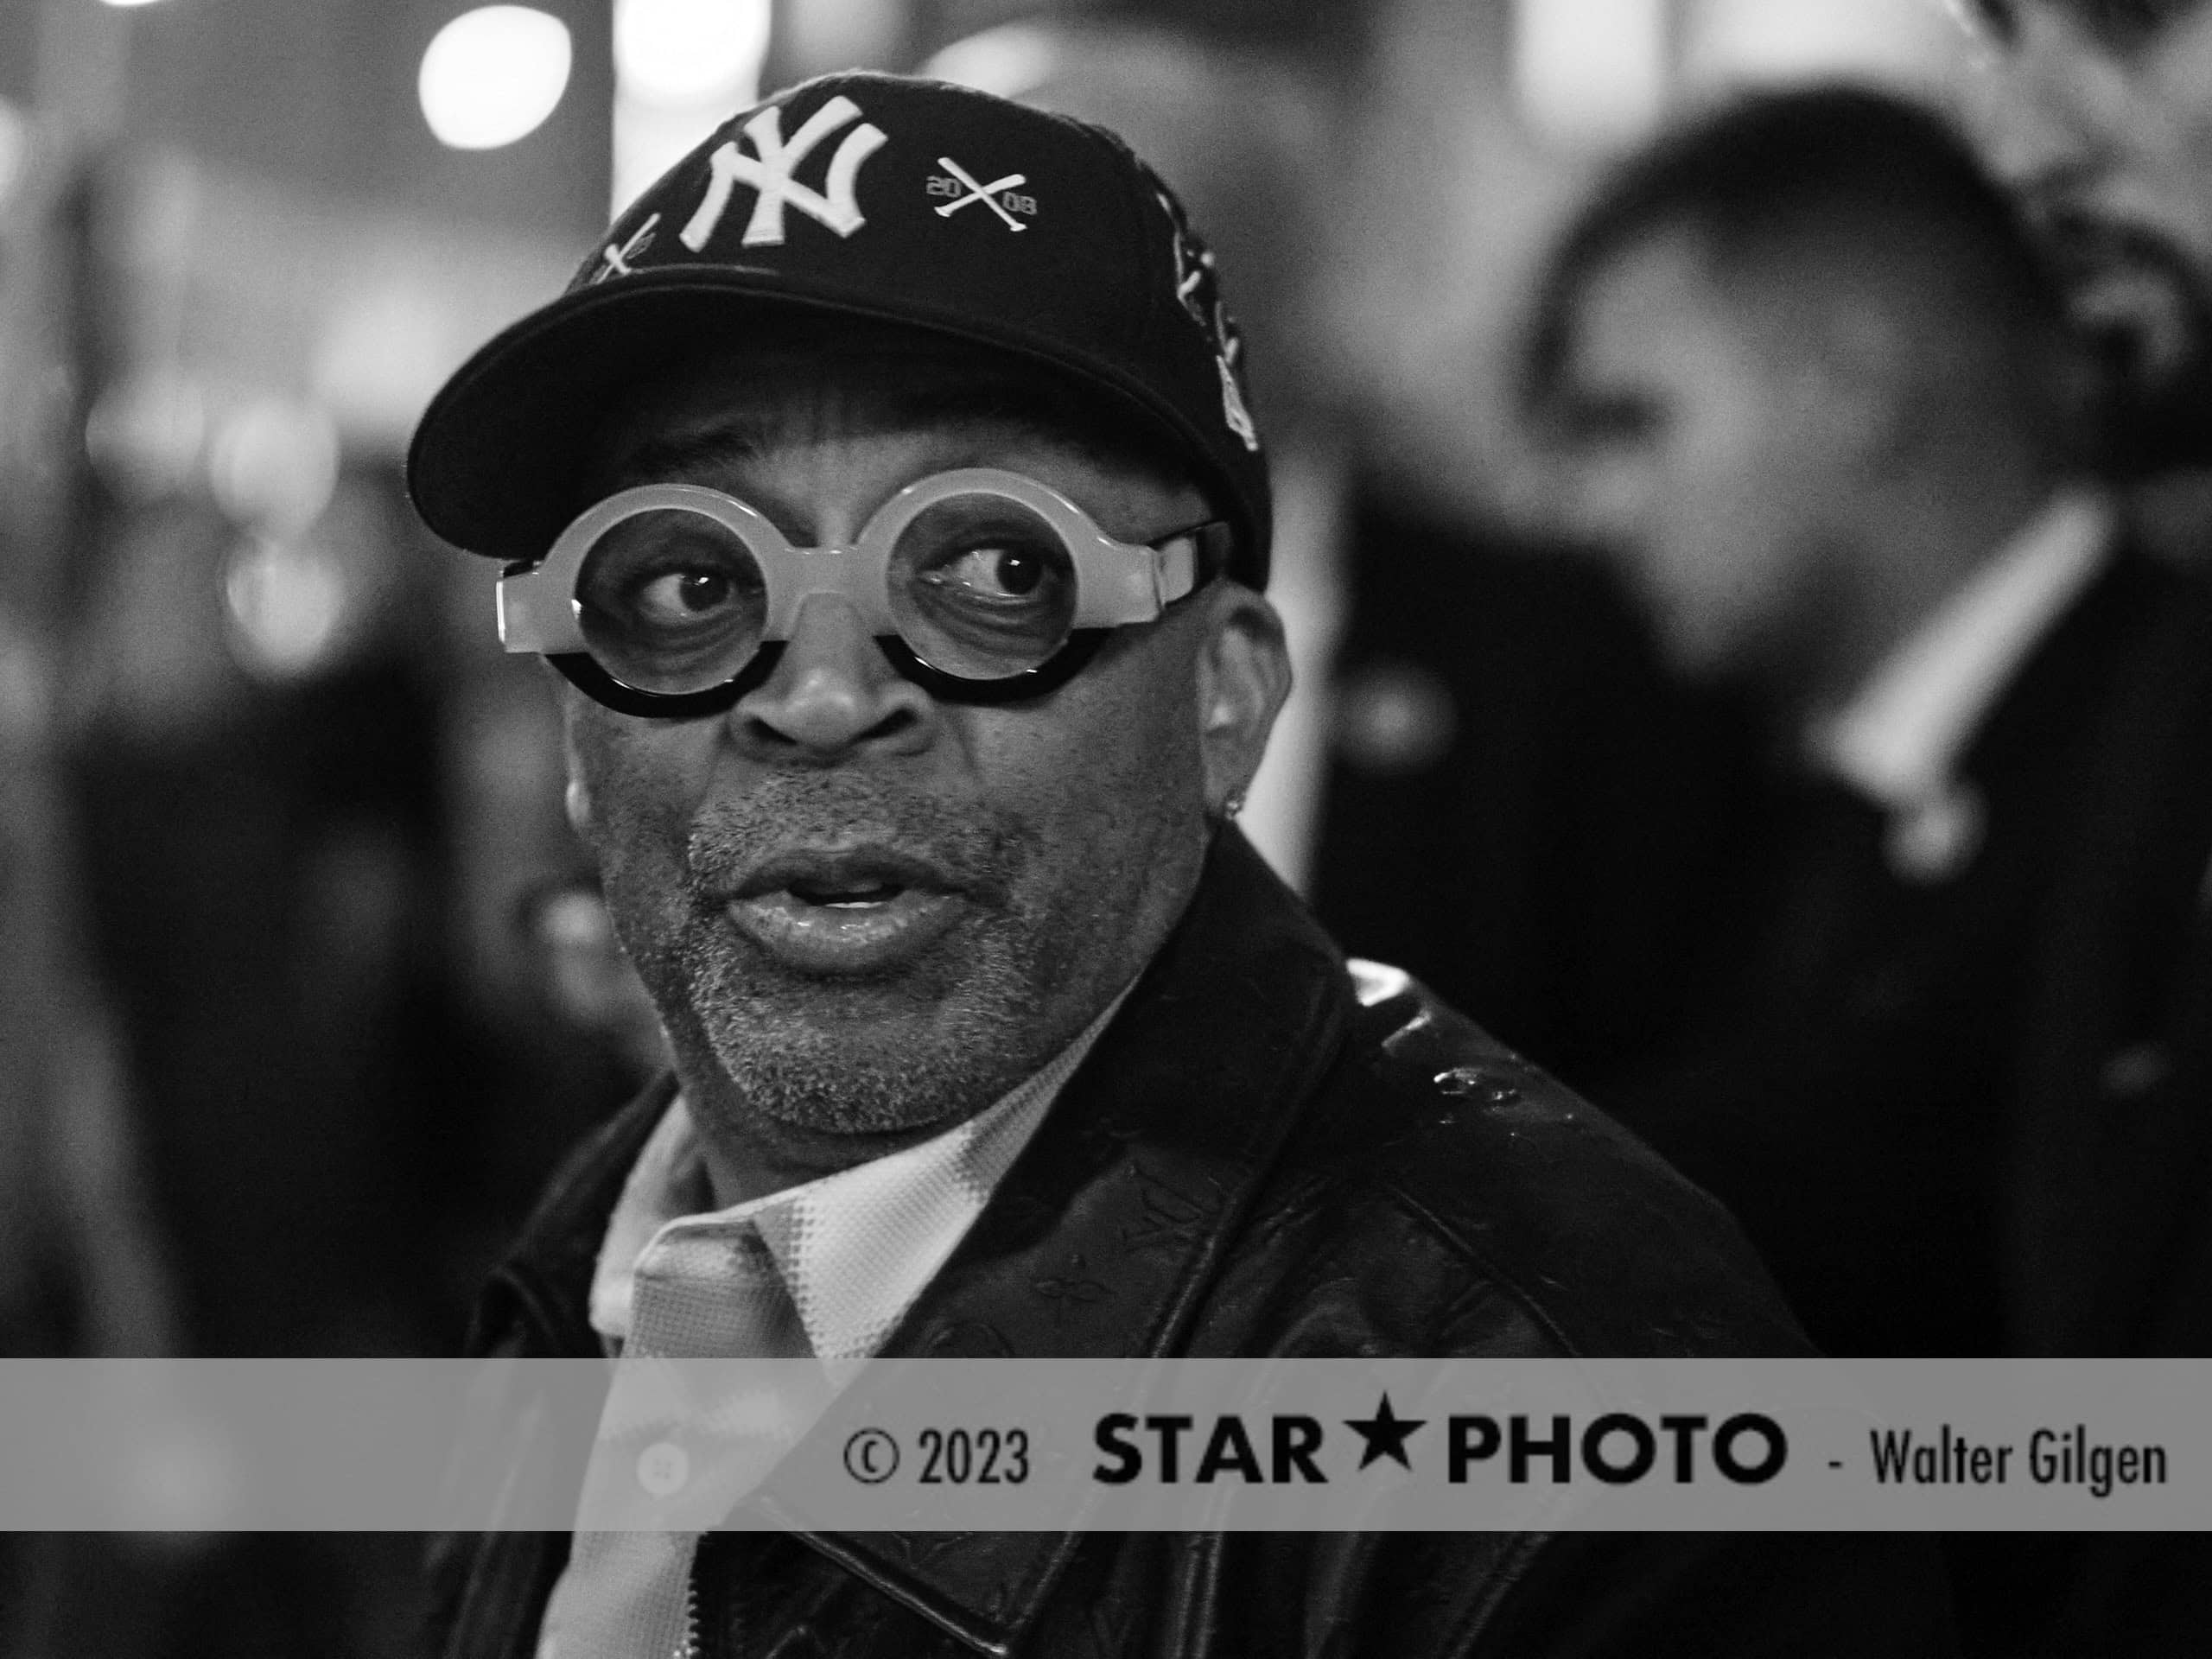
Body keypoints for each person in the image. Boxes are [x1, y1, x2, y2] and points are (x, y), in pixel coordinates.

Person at [406, 73, 1955, 1658]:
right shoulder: (587, 1264)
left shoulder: (1556, 1416)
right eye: (681, 581)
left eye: (996, 571)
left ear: (1225, 701)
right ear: (570, 725)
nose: (815, 695)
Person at [1527, 84, 2212, 1657]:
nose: (1595, 507)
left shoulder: (2161, 752)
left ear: (1852, 384)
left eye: (1638, 420)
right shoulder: (1792, 805)